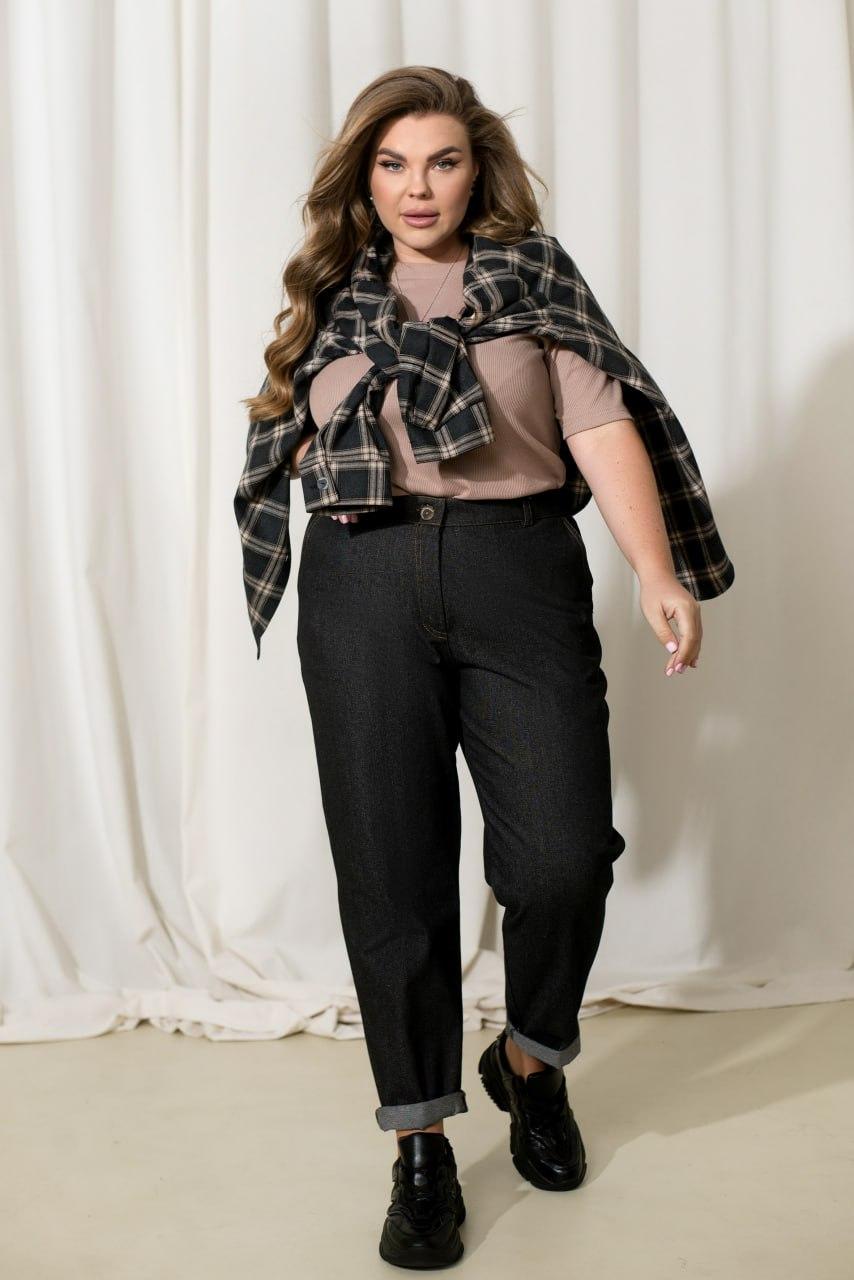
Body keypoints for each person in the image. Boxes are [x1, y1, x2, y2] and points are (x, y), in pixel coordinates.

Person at [235, 66, 734, 1271]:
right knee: (390, 872)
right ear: (363, 177)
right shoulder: (330, 293)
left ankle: (529, 1057)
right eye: (393, 163)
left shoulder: (532, 275)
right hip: (361, 582)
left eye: (442, 161)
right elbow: (285, 428)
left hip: (517, 572)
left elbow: (597, 423)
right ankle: (419, 1143)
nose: (418, 187)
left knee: (559, 857)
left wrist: (655, 571)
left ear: (478, 171)